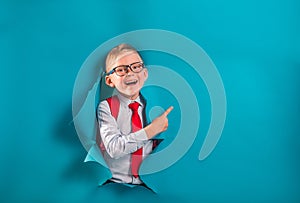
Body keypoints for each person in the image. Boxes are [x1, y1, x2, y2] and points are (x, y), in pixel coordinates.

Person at [97, 43, 173, 187]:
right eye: (121, 70)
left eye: (136, 67)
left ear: (145, 73)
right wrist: (151, 130)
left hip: (151, 182)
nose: (130, 73)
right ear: (109, 81)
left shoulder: (152, 106)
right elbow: (114, 148)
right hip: (116, 182)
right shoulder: (106, 107)